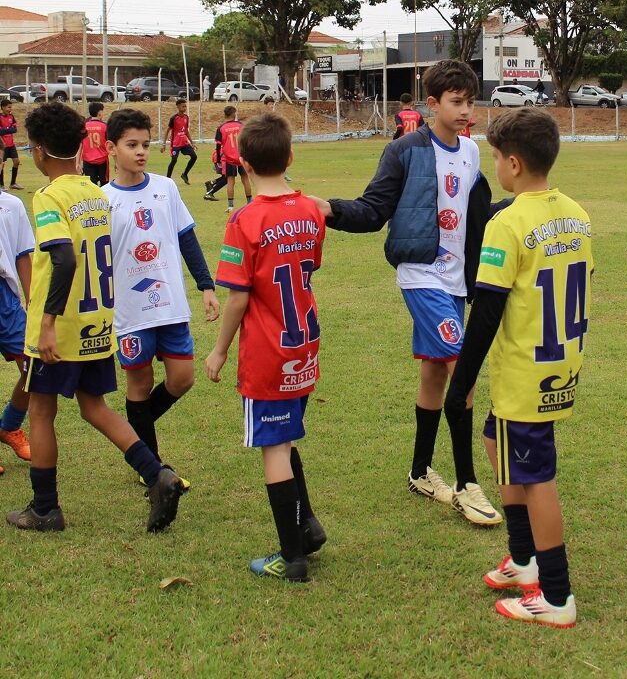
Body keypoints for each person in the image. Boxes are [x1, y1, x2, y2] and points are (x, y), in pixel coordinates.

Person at [308, 59, 503, 526]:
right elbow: (375, 209)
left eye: (469, 101)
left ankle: (419, 472)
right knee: (462, 367)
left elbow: (480, 212)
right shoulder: (405, 150)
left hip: (458, 280)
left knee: (437, 374)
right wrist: (329, 208)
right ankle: (467, 485)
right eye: (456, 102)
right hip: (421, 275)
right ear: (431, 104)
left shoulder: (473, 152)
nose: (465, 110)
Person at [6, 102, 186, 533]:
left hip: (61, 328)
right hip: (97, 323)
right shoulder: (93, 192)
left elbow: (64, 260)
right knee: (94, 407)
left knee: (42, 414)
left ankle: (45, 508)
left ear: (38, 151)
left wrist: (47, 323)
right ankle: (156, 473)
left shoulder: (50, 196)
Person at [445, 107, 592, 628]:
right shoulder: (577, 214)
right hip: (559, 359)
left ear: (511, 163)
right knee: (496, 439)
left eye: (494, 159)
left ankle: (555, 595)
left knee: (536, 475)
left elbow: (486, 312)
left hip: (527, 367)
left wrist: (460, 382)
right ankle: (523, 559)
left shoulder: (505, 222)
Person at [205, 112, 327, 582]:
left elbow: (238, 297)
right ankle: (308, 528)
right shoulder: (310, 211)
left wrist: (218, 350)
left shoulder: (245, 220)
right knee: (287, 435)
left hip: (268, 351)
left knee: (274, 446)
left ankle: (291, 556)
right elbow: (308, 265)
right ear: (290, 157)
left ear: (241, 162)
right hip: (305, 345)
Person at [102, 108, 219, 487]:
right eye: (131, 145)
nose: (140, 152)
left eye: (145, 144)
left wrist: (206, 285)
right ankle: (152, 468)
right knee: (138, 385)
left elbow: (186, 237)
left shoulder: (165, 189)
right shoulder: (102, 200)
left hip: (170, 305)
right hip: (130, 311)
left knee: (182, 379)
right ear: (111, 149)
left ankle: (133, 434)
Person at [0, 157, 34, 473]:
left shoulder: (12, 205)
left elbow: (24, 255)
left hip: (6, 300)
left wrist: (34, 303)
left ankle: (9, 426)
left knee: (33, 368)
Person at [204, 106, 252, 212]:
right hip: (241, 156)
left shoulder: (221, 128)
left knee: (230, 181)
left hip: (229, 158)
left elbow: (218, 145)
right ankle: (249, 202)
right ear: (233, 113)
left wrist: (217, 159)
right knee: (245, 179)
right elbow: (246, 141)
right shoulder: (241, 126)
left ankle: (230, 206)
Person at [161, 99, 196, 185]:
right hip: (176, 144)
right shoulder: (174, 118)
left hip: (184, 143)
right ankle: (168, 180)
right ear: (178, 107)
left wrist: (192, 142)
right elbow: (167, 130)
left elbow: (186, 131)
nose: (184, 108)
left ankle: (185, 174)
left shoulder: (186, 117)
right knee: (174, 160)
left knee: (194, 156)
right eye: (183, 106)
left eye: (185, 106)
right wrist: (164, 144)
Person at [81, 102, 109, 186]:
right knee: (105, 185)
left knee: (91, 185)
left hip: (87, 160)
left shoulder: (84, 126)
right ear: (100, 112)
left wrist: (77, 163)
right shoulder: (104, 126)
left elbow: (80, 145)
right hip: (102, 160)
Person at [0, 99, 22, 190]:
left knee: (16, 162)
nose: (10, 109)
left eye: (11, 107)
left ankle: (13, 183)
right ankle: (1, 185)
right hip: (2, 145)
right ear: (3, 107)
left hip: (11, 144)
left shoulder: (11, 117)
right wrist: (8, 130)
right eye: (9, 107)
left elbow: (15, 129)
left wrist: (5, 130)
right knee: (2, 164)